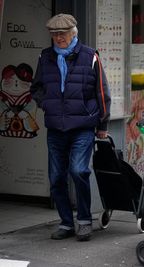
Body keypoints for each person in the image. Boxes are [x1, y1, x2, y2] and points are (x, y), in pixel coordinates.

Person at [30, 13, 111, 241]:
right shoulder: (45, 57)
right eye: (54, 35)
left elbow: (102, 92)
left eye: (62, 34)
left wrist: (102, 123)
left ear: (73, 33)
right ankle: (66, 222)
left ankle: (84, 220)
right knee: (56, 178)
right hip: (56, 127)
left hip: (83, 126)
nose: (58, 38)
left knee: (78, 170)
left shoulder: (90, 56)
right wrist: (46, 104)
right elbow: (36, 88)